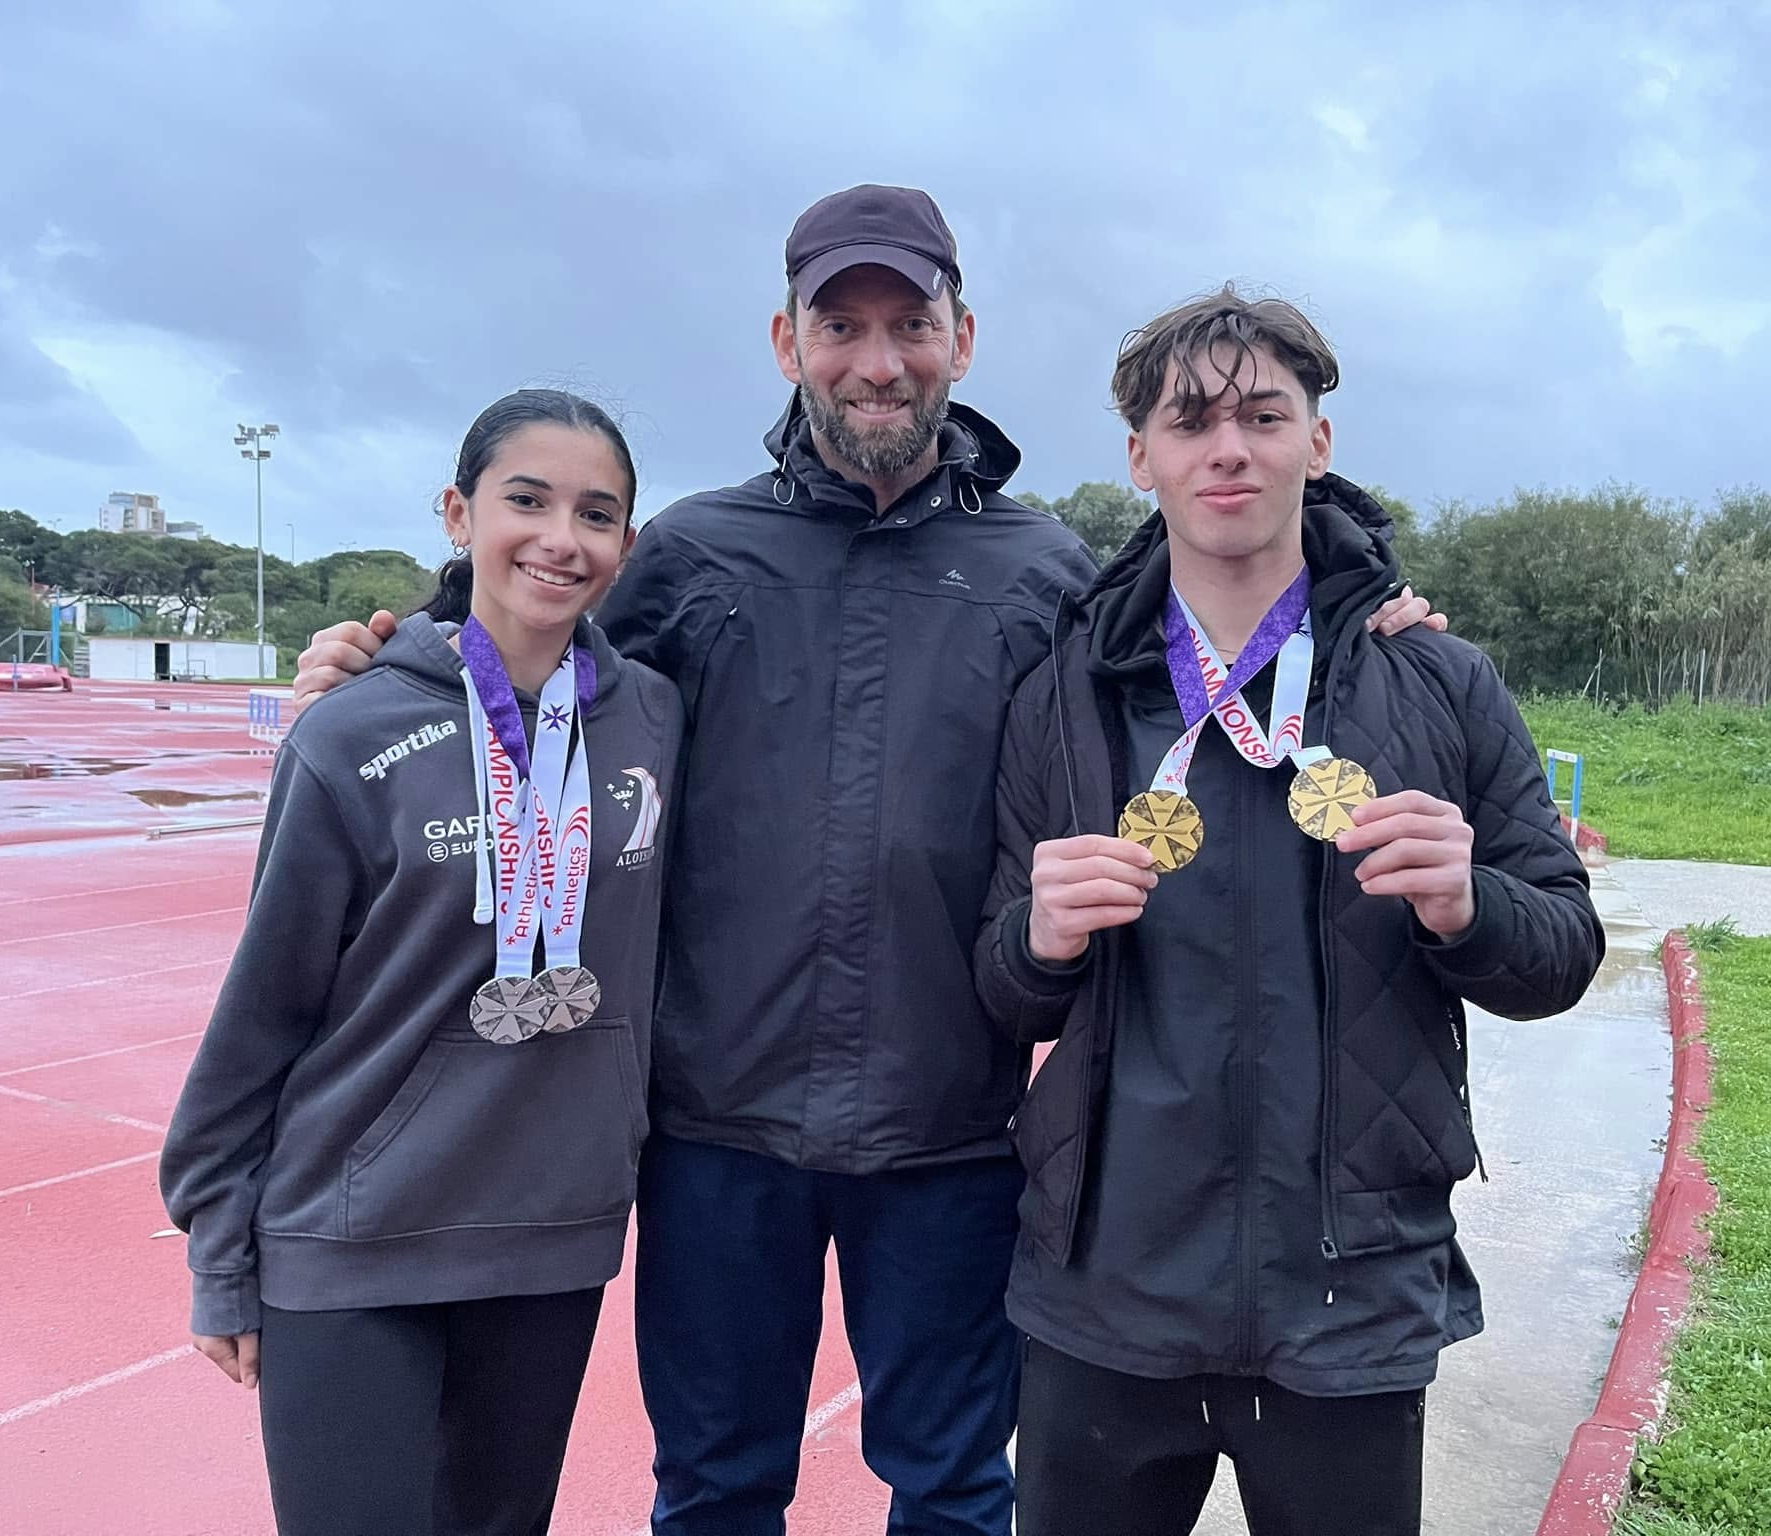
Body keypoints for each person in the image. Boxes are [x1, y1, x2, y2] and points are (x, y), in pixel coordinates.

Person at [290, 189, 1444, 1536]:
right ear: (789, 342)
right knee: (717, 1487)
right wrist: (393, 664)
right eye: (843, 325)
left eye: (912, 324)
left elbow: (1221, 609)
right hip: (716, 1126)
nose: (879, 359)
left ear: (965, 336)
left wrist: (1370, 599)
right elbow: (530, 650)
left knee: (954, 1489)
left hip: (948, 1127)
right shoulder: (691, 557)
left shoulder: (1046, 570)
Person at [972, 287, 1606, 1535]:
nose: (1228, 448)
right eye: (1189, 419)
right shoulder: (1068, 691)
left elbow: (1561, 952)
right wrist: (1039, 938)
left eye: (1264, 414)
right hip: (1107, 1289)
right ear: (1139, 455)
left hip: (1350, 1297)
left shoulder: (1432, 676)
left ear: (1316, 441)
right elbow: (999, 982)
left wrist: (1464, 904)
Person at [162, 389, 683, 1536]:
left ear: (626, 549)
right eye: (526, 500)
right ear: (458, 515)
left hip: (549, 1234)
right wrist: (219, 1245)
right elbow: (266, 1005)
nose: (560, 537)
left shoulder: (654, 719)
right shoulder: (350, 732)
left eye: (595, 514)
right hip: (354, 1232)